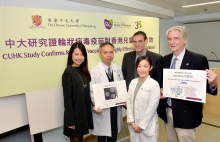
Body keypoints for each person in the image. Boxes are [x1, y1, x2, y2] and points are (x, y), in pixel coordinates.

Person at [158, 26, 218, 142]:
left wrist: (213, 84)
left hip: (186, 113)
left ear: (184, 40)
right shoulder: (164, 60)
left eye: (176, 38)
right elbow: (163, 83)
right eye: (169, 39)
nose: (172, 42)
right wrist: (161, 90)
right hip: (168, 111)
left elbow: (205, 88)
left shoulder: (198, 60)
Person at [90, 42, 124, 142]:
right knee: (101, 136)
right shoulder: (94, 71)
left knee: (113, 134)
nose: (109, 55)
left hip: (115, 108)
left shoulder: (117, 69)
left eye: (111, 52)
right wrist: (97, 104)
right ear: (100, 54)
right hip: (103, 109)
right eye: (105, 52)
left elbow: (122, 87)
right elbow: (92, 91)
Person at [62, 42, 93, 142]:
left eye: (82, 54)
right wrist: (70, 121)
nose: (79, 57)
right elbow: (67, 99)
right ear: (71, 55)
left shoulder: (83, 70)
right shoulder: (68, 72)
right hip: (74, 117)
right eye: (76, 54)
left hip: (83, 114)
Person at [126, 56, 160, 142]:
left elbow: (151, 108)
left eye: (145, 66)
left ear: (150, 68)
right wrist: (131, 121)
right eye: (139, 66)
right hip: (133, 124)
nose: (142, 69)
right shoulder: (133, 82)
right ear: (136, 67)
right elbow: (129, 102)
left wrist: (141, 126)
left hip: (147, 126)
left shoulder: (154, 84)